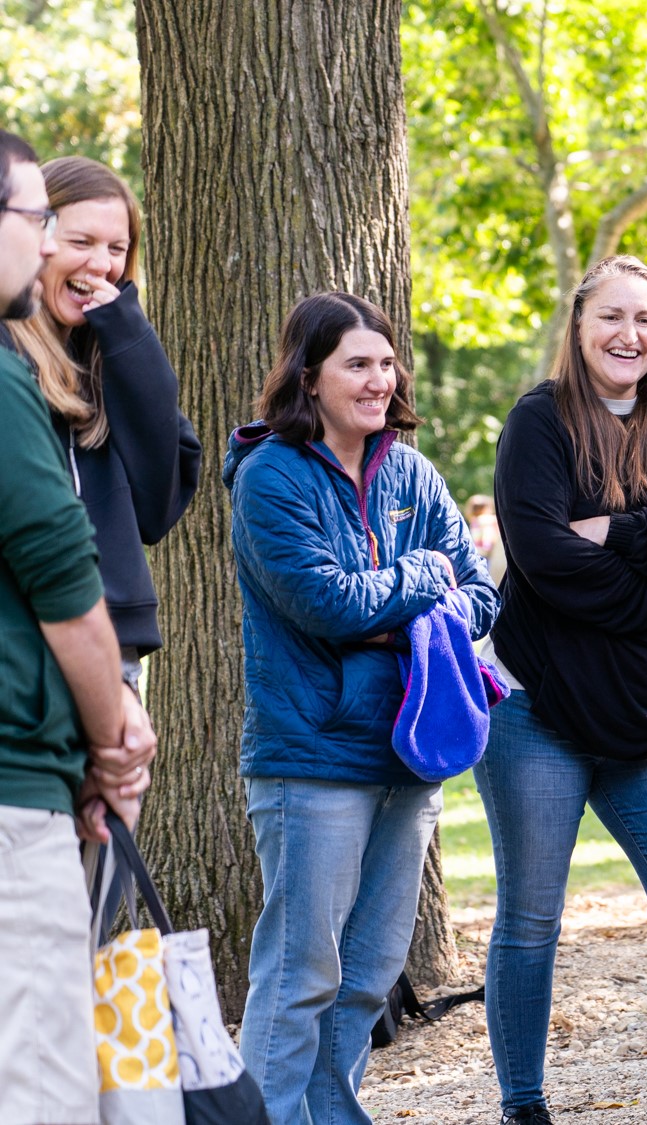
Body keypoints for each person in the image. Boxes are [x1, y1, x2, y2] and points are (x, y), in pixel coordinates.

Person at [225, 292, 498, 1125]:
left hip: (409, 757)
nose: (379, 380)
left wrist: (409, 605)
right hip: (310, 762)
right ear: (309, 376)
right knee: (300, 975)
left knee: (369, 974)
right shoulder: (271, 474)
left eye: (385, 363)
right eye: (357, 364)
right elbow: (328, 604)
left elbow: (482, 594)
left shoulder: (411, 472)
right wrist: (422, 585)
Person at [484, 255, 647, 1124]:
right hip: (538, 712)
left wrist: (623, 532)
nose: (629, 334)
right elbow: (544, 557)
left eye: (645, 318)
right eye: (611, 317)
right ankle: (524, 1104)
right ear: (579, 323)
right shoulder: (539, 422)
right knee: (531, 921)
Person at [0, 129, 154, 1125]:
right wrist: (114, 742)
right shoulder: (11, 376)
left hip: (52, 749)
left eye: (114, 250)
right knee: (41, 1079)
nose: (81, 255)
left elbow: (163, 483)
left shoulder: (92, 358)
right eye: (45, 221)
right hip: (27, 769)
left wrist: (127, 329)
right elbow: (62, 579)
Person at [0, 155, 201, 744]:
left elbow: (158, 506)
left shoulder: (114, 359)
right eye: (81, 241)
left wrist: (127, 330)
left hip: (111, 650)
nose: (101, 264)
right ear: (36, 238)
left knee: (106, 834)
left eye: (117, 249)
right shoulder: (7, 360)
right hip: (21, 642)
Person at [465, 492, 507, 586]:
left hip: (487, 558)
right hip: (502, 558)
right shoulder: (495, 519)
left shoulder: (479, 521)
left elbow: (485, 543)